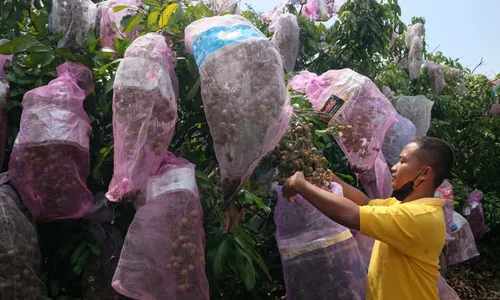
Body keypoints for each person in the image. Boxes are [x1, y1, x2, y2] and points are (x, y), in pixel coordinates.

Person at [282, 136, 454, 300]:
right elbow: (366, 203)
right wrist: (330, 178)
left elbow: (353, 215)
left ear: (424, 174)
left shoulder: (420, 216)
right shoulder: (404, 206)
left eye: (402, 161)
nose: (394, 167)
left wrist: (301, 185)